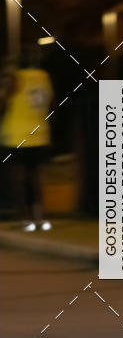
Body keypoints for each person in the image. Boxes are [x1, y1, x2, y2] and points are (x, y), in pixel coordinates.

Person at [0, 46, 54, 231]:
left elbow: (3, 102)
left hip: (17, 136)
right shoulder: (43, 76)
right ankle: (39, 217)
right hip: (39, 135)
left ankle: (25, 219)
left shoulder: (14, 78)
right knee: (34, 178)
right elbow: (50, 101)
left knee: (18, 180)